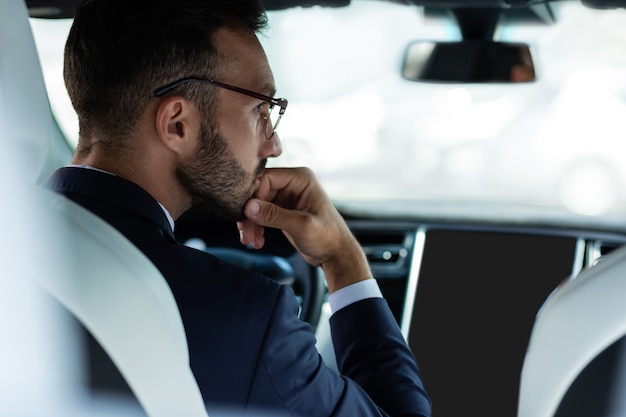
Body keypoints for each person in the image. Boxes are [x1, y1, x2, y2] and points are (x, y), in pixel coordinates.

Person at [43, 0, 431, 415]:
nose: (273, 144)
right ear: (178, 123)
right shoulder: (244, 321)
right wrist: (342, 258)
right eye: (260, 109)